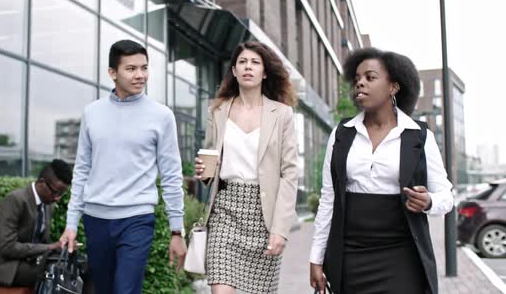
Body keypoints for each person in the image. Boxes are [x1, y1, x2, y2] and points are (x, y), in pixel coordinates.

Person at [309, 48, 454, 294]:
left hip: (401, 254)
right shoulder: (342, 134)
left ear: (393, 87)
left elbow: (447, 197)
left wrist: (428, 201)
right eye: (357, 79)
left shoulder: (419, 136)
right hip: (349, 254)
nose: (360, 83)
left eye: (370, 77)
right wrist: (316, 256)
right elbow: (329, 199)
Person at [59, 39, 187, 294]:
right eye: (131, 69)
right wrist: (71, 223)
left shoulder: (161, 116)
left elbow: (172, 175)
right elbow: (82, 170)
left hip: (137, 219)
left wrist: (177, 230)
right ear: (112, 73)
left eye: (144, 67)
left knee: (126, 290)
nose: (140, 75)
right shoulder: (92, 113)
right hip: (96, 219)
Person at [194, 41, 299, 294]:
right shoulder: (217, 111)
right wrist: (204, 173)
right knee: (220, 290)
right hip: (225, 211)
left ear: (264, 72)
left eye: (254, 62)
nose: (248, 67)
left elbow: (290, 173)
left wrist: (280, 230)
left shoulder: (282, 114)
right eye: (242, 62)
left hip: (264, 215)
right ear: (234, 71)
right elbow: (209, 167)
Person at [0, 159, 72, 287]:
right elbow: (8, 248)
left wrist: (63, 248)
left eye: (61, 194)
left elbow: (41, 243)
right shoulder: (15, 200)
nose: (57, 198)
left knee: (75, 267)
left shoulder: (48, 205)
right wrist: (50, 247)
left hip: (29, 263)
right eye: (56, 192)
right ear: (41, 183)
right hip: (5, 267)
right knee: (55, 276)